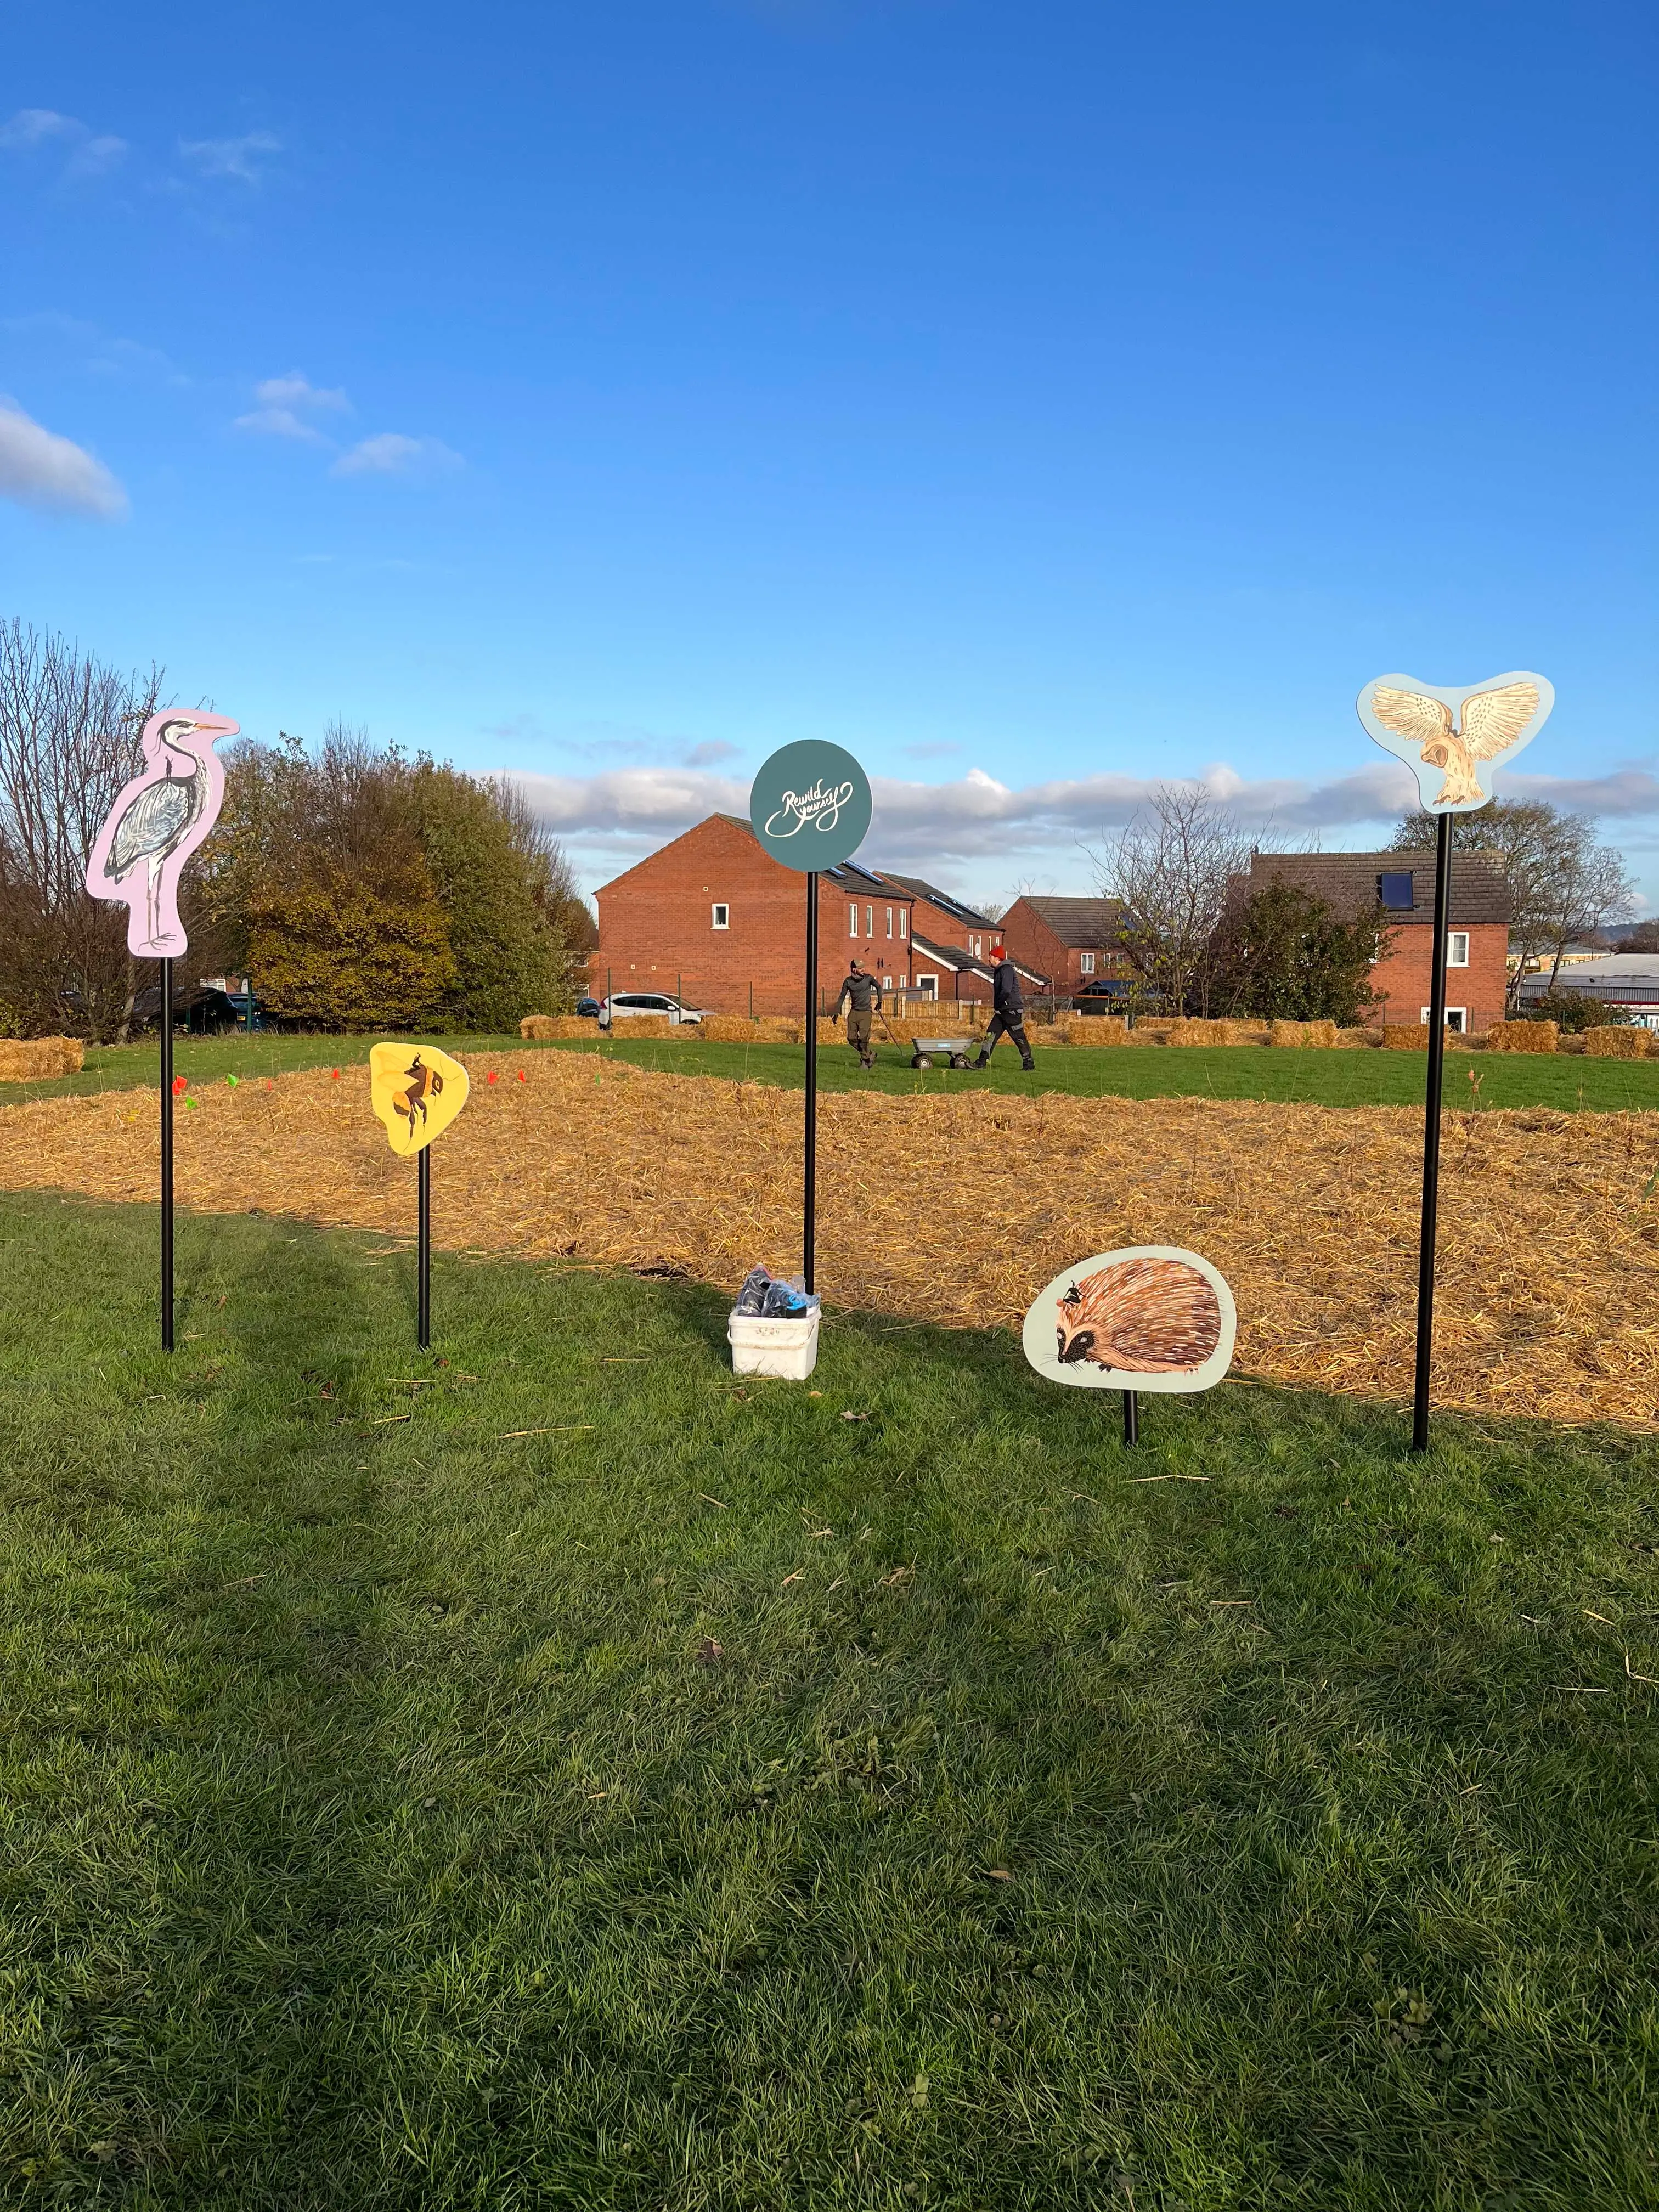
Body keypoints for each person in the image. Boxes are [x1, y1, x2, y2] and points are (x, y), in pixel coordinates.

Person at [975, 943, 1035, 1070]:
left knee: (1018, 1037)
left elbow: (1006, 990)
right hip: (1002, 1011)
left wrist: (998, 1004)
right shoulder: (999, 971)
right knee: (990, 1036)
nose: (989, 958)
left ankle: (1029, 1064)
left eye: (991, 956)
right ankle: (981, 1062)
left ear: (998, 958)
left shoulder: (1006, 970)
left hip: (1011, 1010)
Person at [835, 957, 882, 1068]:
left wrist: (880, 1002)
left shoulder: (868, 978)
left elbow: (879, 987)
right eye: (860, 968)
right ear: (854, 969)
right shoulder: (848, 982)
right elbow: (842, 996)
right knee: (851, 1039)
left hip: (866, 1012)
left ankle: (864, 1062)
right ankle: (869, 1055)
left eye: (863, 967)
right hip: (854, 1012)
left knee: (864, 1038)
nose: (863, 970)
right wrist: (836, 1012)